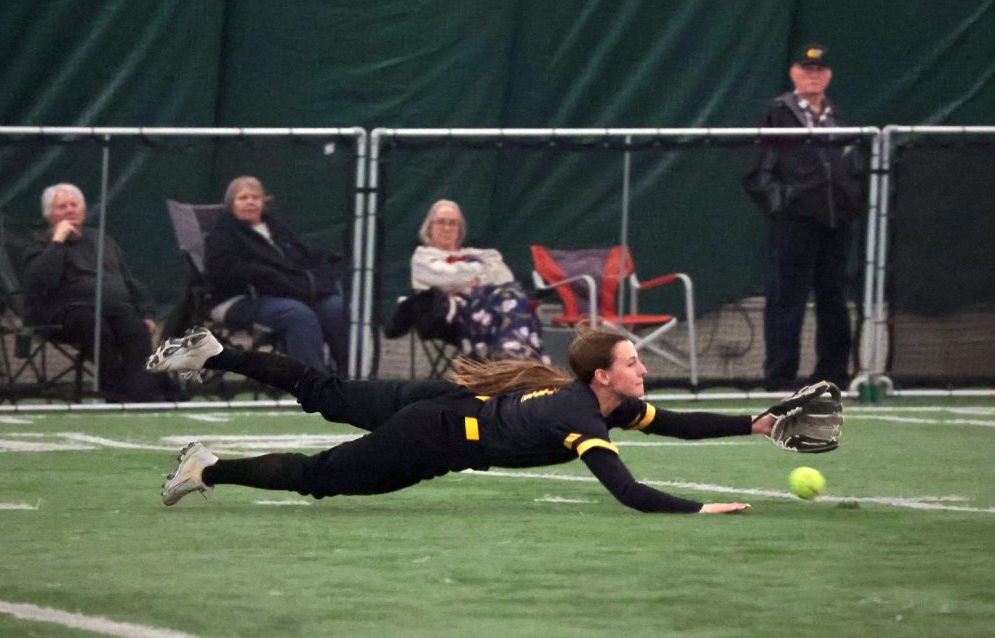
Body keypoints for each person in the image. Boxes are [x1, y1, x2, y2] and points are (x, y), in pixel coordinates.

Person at [148, 324, 786, 514]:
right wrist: (701, 508)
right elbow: (630, 492)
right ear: (601, 376)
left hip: (447, 405)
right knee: (319, 477)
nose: (641, 368)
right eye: (630, 361)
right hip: (434, 436)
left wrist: (756, 423)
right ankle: (207, 467)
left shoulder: (605, 403)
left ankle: (216, 353)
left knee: (325, 389)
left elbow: (679, 423)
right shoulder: (583, 419)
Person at [743, 43, 866, 391]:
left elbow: (855, 167)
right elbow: (757, 172)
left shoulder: (838, 118)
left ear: (829, 75)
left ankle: (833, 374)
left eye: (819, 70)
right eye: (806, 69)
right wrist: (784, 204)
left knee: (834, 298)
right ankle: (780, 377)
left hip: (836, 223)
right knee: (787, 297)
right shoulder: (777, 114)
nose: (813, 75)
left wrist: (850, 201)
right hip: (794, 223)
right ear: (794, 73)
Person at [23, 183, 164, 402]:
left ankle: (141, 395)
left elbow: (129, 280)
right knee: (95, 325)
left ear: (83, 209)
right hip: (64, 314)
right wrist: (57, 241)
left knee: (136, 329)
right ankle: (116, 391)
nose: (69, 210)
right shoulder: (40, 243)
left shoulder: (101, 240)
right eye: (62, 207)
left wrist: (147, 312)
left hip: (114, 310)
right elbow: (41, 281)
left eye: (74, 205)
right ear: (49, 214)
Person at [204, 176, 348, 374]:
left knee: (336, 308)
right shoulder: (222, 233)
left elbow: (301, 257)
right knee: (298, 315)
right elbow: (219, 271)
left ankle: (349, 377)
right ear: (231, 204)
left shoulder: (277, 228)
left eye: (255, 197)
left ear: (263, 202)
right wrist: (261, 273)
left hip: (288, 292)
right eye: (243, 198)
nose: (250, 202)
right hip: (240, 297)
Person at [411, 199, 548, 363]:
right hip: (450, 316)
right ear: (429, 228)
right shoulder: (423, 257)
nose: (447, 228)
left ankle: (509, 355)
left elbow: (505, 277)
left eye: (453, 223)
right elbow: (442, 278)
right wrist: (479, 272)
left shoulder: (484, 255)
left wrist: (469, 280)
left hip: (493, 306)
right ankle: (516, 357)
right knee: (515, 304)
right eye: (441, 222)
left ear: (459, 230)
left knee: (511, 296)